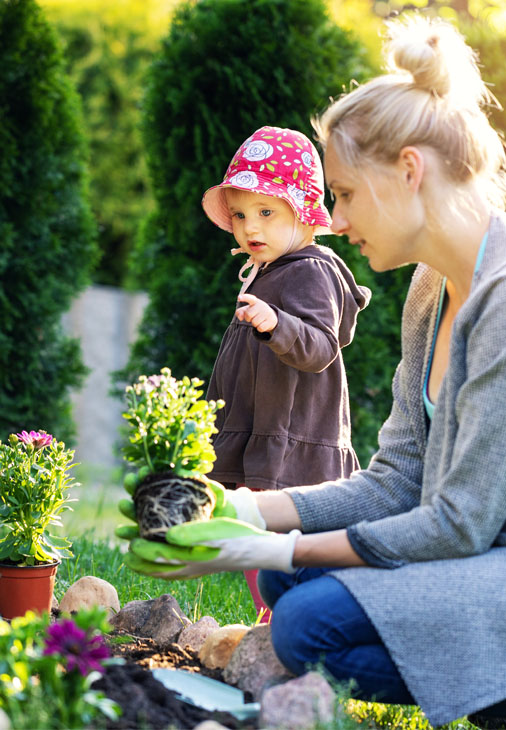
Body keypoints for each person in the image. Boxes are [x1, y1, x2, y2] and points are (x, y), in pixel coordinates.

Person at [125, 15, 506, 730]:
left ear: (409, 170)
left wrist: (275, 543)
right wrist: (244, 512)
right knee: (287, 582)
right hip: (502, 557)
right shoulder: (430, 288)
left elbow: (456, 525)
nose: (336, 217)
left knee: (308, 626)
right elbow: (397, 480)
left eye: (345, 194)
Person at [199, 125, 370, 619]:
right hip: (267, 428)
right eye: (240, 215)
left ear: (304, 213)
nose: (250, 228)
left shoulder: (311, 270)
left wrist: (277, 323)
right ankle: (272, 614)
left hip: (294, 436)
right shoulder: (274, 265)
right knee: (258, 531)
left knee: (277, 534)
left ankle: (284, 613)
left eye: (267, 212)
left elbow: (319, 346)